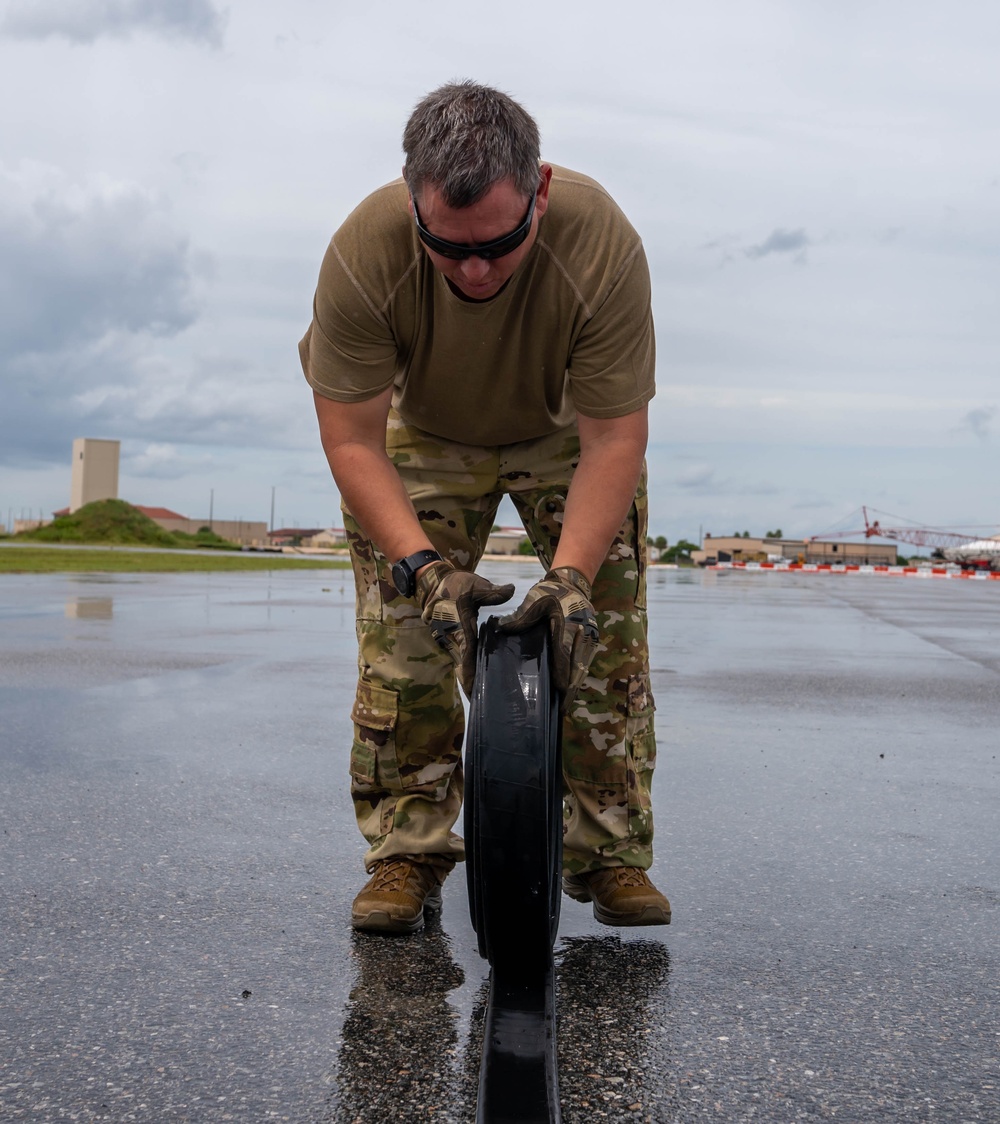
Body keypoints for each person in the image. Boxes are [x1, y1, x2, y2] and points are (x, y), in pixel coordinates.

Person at [299, 81, 669, 934]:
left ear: (539, 190)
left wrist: (572, 577)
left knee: (603, 635)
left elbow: (616, 440)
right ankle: (408, 849)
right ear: (410, 198)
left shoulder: (602, 243)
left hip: (562, 430)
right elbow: (353, 441)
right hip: (423, 431)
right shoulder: (363, 253)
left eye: (500, 245)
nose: (475, 271)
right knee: (403, 642)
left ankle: (611, 854)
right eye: (448, 245)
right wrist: (424, 570)